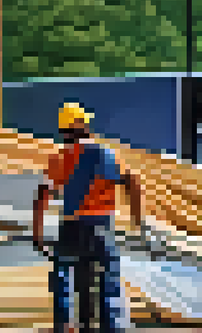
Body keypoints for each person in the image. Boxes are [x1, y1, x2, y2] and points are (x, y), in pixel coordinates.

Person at [32, 103, 144, 333]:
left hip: (71, 228)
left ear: (64, 130)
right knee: (108, 283)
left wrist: (38, 235)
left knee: (66, 281)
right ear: (83, 125)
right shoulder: (103, 154)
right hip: (100, 227)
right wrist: (137, 222)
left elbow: (43, 195)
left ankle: (67, 328)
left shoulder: (59, 158)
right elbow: (133, 181)